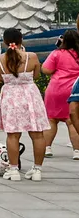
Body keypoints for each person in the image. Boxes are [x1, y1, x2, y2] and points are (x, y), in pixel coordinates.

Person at [0, 28, 50, 182]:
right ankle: (37, 170)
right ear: (21, 41)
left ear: (5, 42)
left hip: (10, 96)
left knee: (12, 134)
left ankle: (13, 169)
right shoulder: (31, 57)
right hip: (30, 95)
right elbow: (37, 75)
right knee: (37, 133)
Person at [41, 29, 79, 159]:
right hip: (74, 90)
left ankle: (47, 148)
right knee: (72, 121)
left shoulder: (57, 53)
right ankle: (77, 151)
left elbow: (45, 69)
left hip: (56, 89)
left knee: (51, 119)